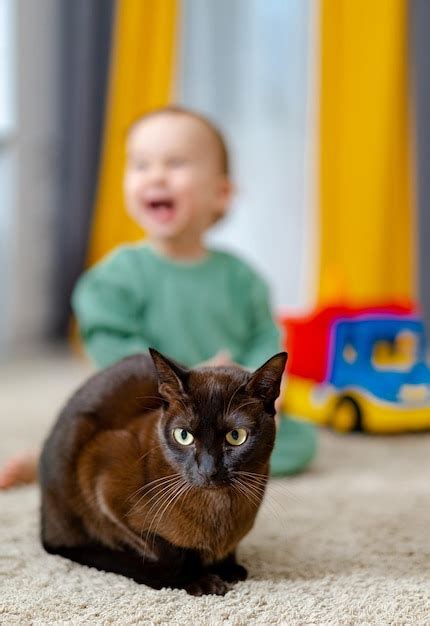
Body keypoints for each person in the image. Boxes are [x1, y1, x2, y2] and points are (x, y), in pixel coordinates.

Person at [0, 105, 316, 489]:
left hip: (226, 409)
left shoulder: (242, 278)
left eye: (176, 163)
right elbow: (109, 344)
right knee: (102, 435)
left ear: (221, 193)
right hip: (152, 406)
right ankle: (50, 460)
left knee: (298, 442)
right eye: (140, 164)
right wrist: (189, 378)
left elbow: (266, 339)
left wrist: (250, 386)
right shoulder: (116, 276)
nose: (156, 176)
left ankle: (204, 463)